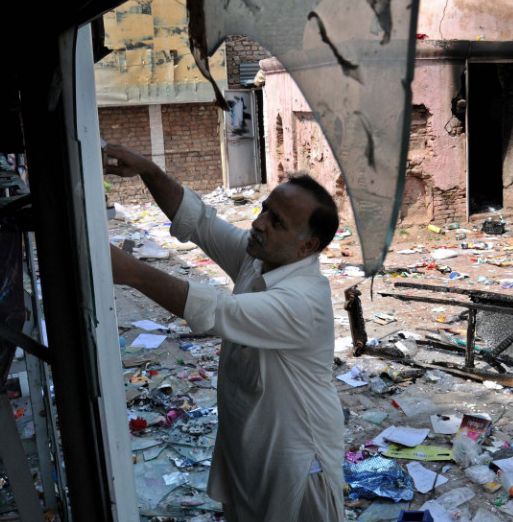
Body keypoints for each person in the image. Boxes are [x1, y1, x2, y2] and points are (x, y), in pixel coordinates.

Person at [104, 144, 346, 522]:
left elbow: (218, 311)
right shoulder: (259, 256)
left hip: (297, 458)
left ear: (308, 246)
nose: (259, 222)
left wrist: (133, 272)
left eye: (277, 221)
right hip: (248, 443)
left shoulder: (305, 301)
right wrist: (148, 170)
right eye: (265, 208)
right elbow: (199, 221)